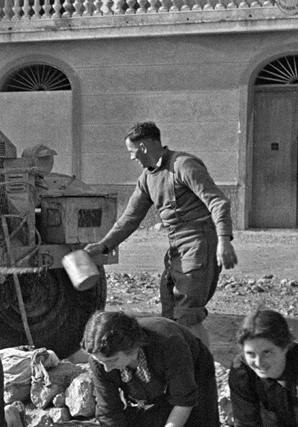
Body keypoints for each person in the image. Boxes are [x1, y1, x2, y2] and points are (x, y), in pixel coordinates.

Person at [84, 122, 237, 347]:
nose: (131, 158)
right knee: (171, 312)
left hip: (199, 242)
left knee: (187, 313)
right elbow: (130, 218)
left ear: (144, 147)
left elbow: (217, 201)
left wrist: (224, 241)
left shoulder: (183, 165)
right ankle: (182, 362)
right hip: (176, 246)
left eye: (131, 151)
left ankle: (199, 368)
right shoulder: (147, 178)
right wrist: (104, 245)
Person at [83, 311, 220, 427]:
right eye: (101, 362)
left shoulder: (169, 342)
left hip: (196, 375)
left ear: (132, 349)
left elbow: (184, 401)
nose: (107, 369)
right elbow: (109, 412)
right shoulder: (102, 361)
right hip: (155, 389)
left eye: (112, 361)